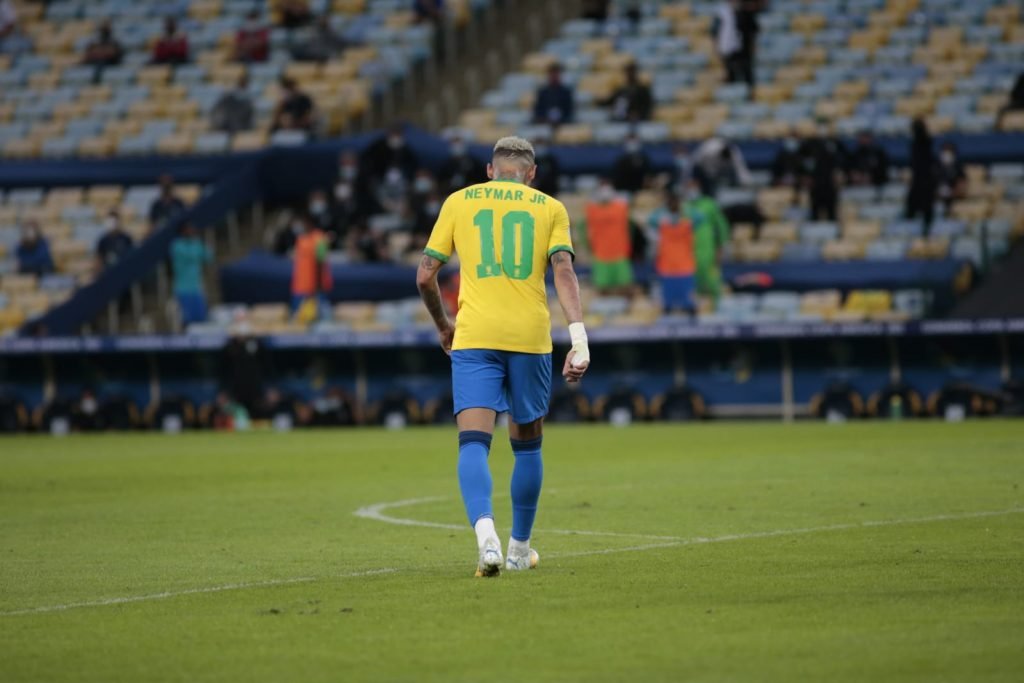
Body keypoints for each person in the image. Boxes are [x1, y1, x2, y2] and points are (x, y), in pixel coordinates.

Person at [416, 136, 589, 577]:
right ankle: (518, 548)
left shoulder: (459, 202)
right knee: (527, 446)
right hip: (529, 338)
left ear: (490, 171)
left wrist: (443, 326)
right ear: (531, 174)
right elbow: (564, 271)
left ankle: (485, 538)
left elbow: (424, 276)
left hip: (474, 337)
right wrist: (579, 337)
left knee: (473, 442)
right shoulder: (550, 207)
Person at [684, 172, 730, 306]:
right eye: (688, 186)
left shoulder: (709, 204)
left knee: (712, 281)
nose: (691, 189)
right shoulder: (683, 207)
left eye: (694, 185)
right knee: (693, 285)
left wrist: (721, 247)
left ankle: (718, 307)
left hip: (708, 251)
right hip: (689, 253)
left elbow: (721, 226)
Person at [647, 191, 697, 315]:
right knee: (667, 305)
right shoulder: (662, 222)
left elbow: (701, 217)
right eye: (671, 203)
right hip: (668, 268)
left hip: (684, 267)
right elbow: (650, 220)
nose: (674, 205)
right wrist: (664, 210)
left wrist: (684, 209)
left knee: (689, 304)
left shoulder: (688, 222)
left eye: (676, 203)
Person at [583, 179, 633, 295]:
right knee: (602, 289)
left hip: (620, 252)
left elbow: (629, 229)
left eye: (607, 187)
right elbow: (586, 231)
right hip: (601, 254)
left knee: (625, 287)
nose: (605, 191)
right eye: (602, 188)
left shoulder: (621, 207)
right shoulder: (591, 209)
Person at [290, 214, 333, 321]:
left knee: (319, 319)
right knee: (299, 319)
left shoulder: (320, 239)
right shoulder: (300, 239)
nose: (300, 225)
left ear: (309, 223)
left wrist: (317, 287)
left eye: (302, 222)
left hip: (315, 288)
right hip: (300, 287)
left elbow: (320, 263)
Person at [801, 122, 846, 222]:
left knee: (832, 213)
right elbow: (801, 160)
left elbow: (843, 159)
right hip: (815, 184)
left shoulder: (834, 143)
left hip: (830, 184)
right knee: (814, 214)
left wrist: (840, 173)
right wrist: (806, 176)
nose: (822, 130)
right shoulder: (810, 144)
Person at [170, 223, 212, 326]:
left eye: (192, 230)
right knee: (188, 321)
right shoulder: (176, 246)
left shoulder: (196, 244)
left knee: (202, 319)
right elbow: (192, 256)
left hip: (197, 288)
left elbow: (209, 257)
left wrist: (201, 246)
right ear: (182, 232)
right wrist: (198, 247)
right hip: (183, 289)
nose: (191, 232)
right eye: (188, 230)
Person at [905, 118, 937, 232]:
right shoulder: (916, 144)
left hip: (924, 179)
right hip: (921, 179)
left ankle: (925, 228)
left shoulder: (924, 143)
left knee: (924, 206)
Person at [848, 130, 889, 195]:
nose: (864, 140)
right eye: (862, 137)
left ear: (871, 139)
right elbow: (850, 167)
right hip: (857, 184)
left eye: (866, 138)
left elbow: (883, 169)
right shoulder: (855, 153)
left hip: (876, 183)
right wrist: (855, 174)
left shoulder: (879, 153)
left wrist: (871, 176)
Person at [936, 141, 967, 213]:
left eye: (949, 151)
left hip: (954, 198)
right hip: (936, 199)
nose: (947, 154)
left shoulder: (958, 167)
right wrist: (936, 193)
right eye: (945, 151)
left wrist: (954, 192)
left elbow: (962, 183)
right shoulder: (935, 166)